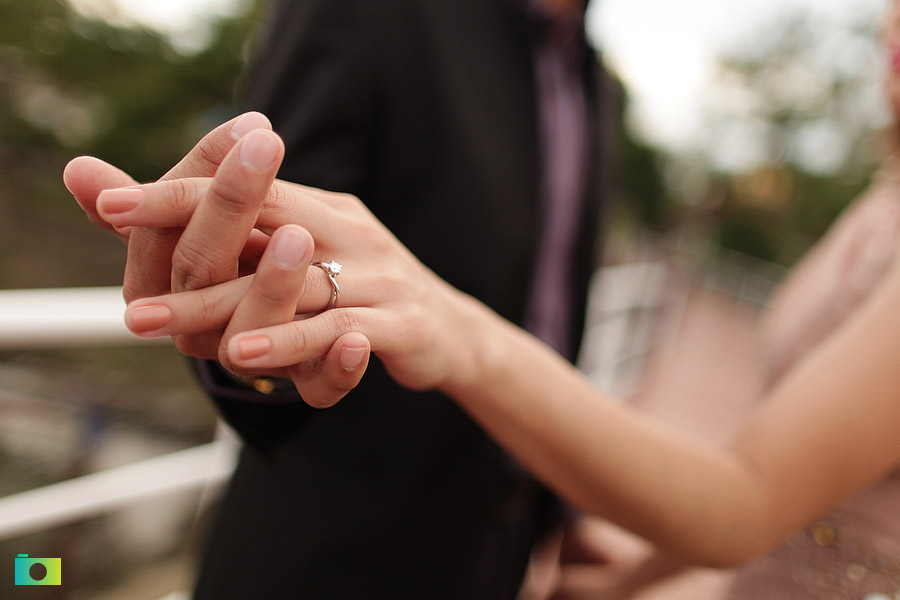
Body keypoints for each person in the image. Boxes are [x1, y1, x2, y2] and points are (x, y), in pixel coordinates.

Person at [79, 116, 900, 599]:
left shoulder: (598, 86)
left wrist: (452, 325)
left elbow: (754, 497)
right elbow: (802, 457)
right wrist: (635, 567)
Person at [68, 0, 620, 597]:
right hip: (332, 551)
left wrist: (559, 501)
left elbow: (550, 307)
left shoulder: (598, 84)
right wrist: (267, 354)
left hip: (501, 554)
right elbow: (265, 238)